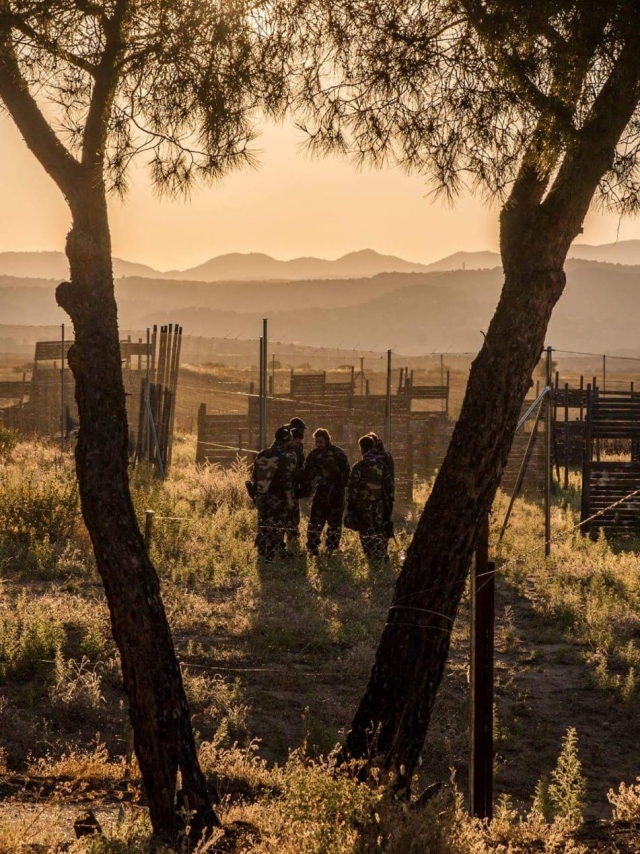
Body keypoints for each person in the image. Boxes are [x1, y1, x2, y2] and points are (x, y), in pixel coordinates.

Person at [345, 434, 394, 562]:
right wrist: (388, 502)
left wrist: (350, 506)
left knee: (366, 531)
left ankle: (371, 557)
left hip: (363, 505)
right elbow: (389, 485)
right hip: (379, 504)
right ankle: (382, 554)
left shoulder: (359, 466)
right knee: (380, 529)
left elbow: (352, 488)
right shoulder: (381, 465)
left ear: (361, 448)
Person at [250, 425, 295, 563]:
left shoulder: (262, 454)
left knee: (263, 524)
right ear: (287, 440)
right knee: (277, 526)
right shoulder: (284, 457)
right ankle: (271, 556)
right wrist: (289, 499)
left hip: (262, 496)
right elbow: (286, 480)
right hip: (277, 498)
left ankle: (262, 553)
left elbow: (254, 476)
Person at [303, 428, 350, 556]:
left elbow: (346, 472)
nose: (318, 444)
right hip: (320, 494)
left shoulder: (338, 453)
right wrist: (311, 484)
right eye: (316, 442)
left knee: (334, 523)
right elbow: (307, 472)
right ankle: (312, 547)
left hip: (336, 494)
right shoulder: (313, 455)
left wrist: (339, 486)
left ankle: (332, 548)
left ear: (327, 440)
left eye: (320, 442)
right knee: (315, 521)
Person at [285, 417, 308, 552]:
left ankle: (293, 537)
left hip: (294, 483)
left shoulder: (298, 445)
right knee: (287, 511)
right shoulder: (285, 442)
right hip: (286, 482)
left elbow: (301, 462)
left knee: (293, 512)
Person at [367, 432, 395, 537]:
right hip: (372, 494)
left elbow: (388, 476)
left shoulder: (384, 456)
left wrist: (389, 493)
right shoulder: (370, 456)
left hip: (384, 493)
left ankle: (382, 546)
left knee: (383, 520)